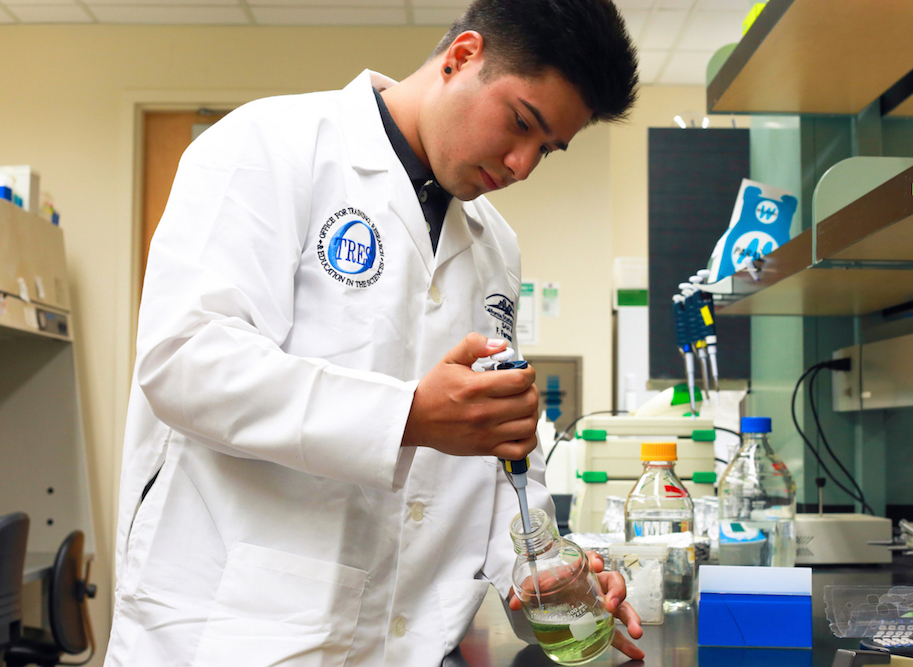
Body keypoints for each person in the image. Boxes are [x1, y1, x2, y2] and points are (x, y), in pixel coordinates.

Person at [105, 0, 642, 665]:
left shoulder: (494, 248)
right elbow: (185, 363)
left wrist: (534, 567)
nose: (522, 164)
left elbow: (494, 449)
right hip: (227, 630)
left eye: (547, 149)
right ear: (462, 56)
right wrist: (408, 414)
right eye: (521, 123)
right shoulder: (269, 146)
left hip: (407, 642)